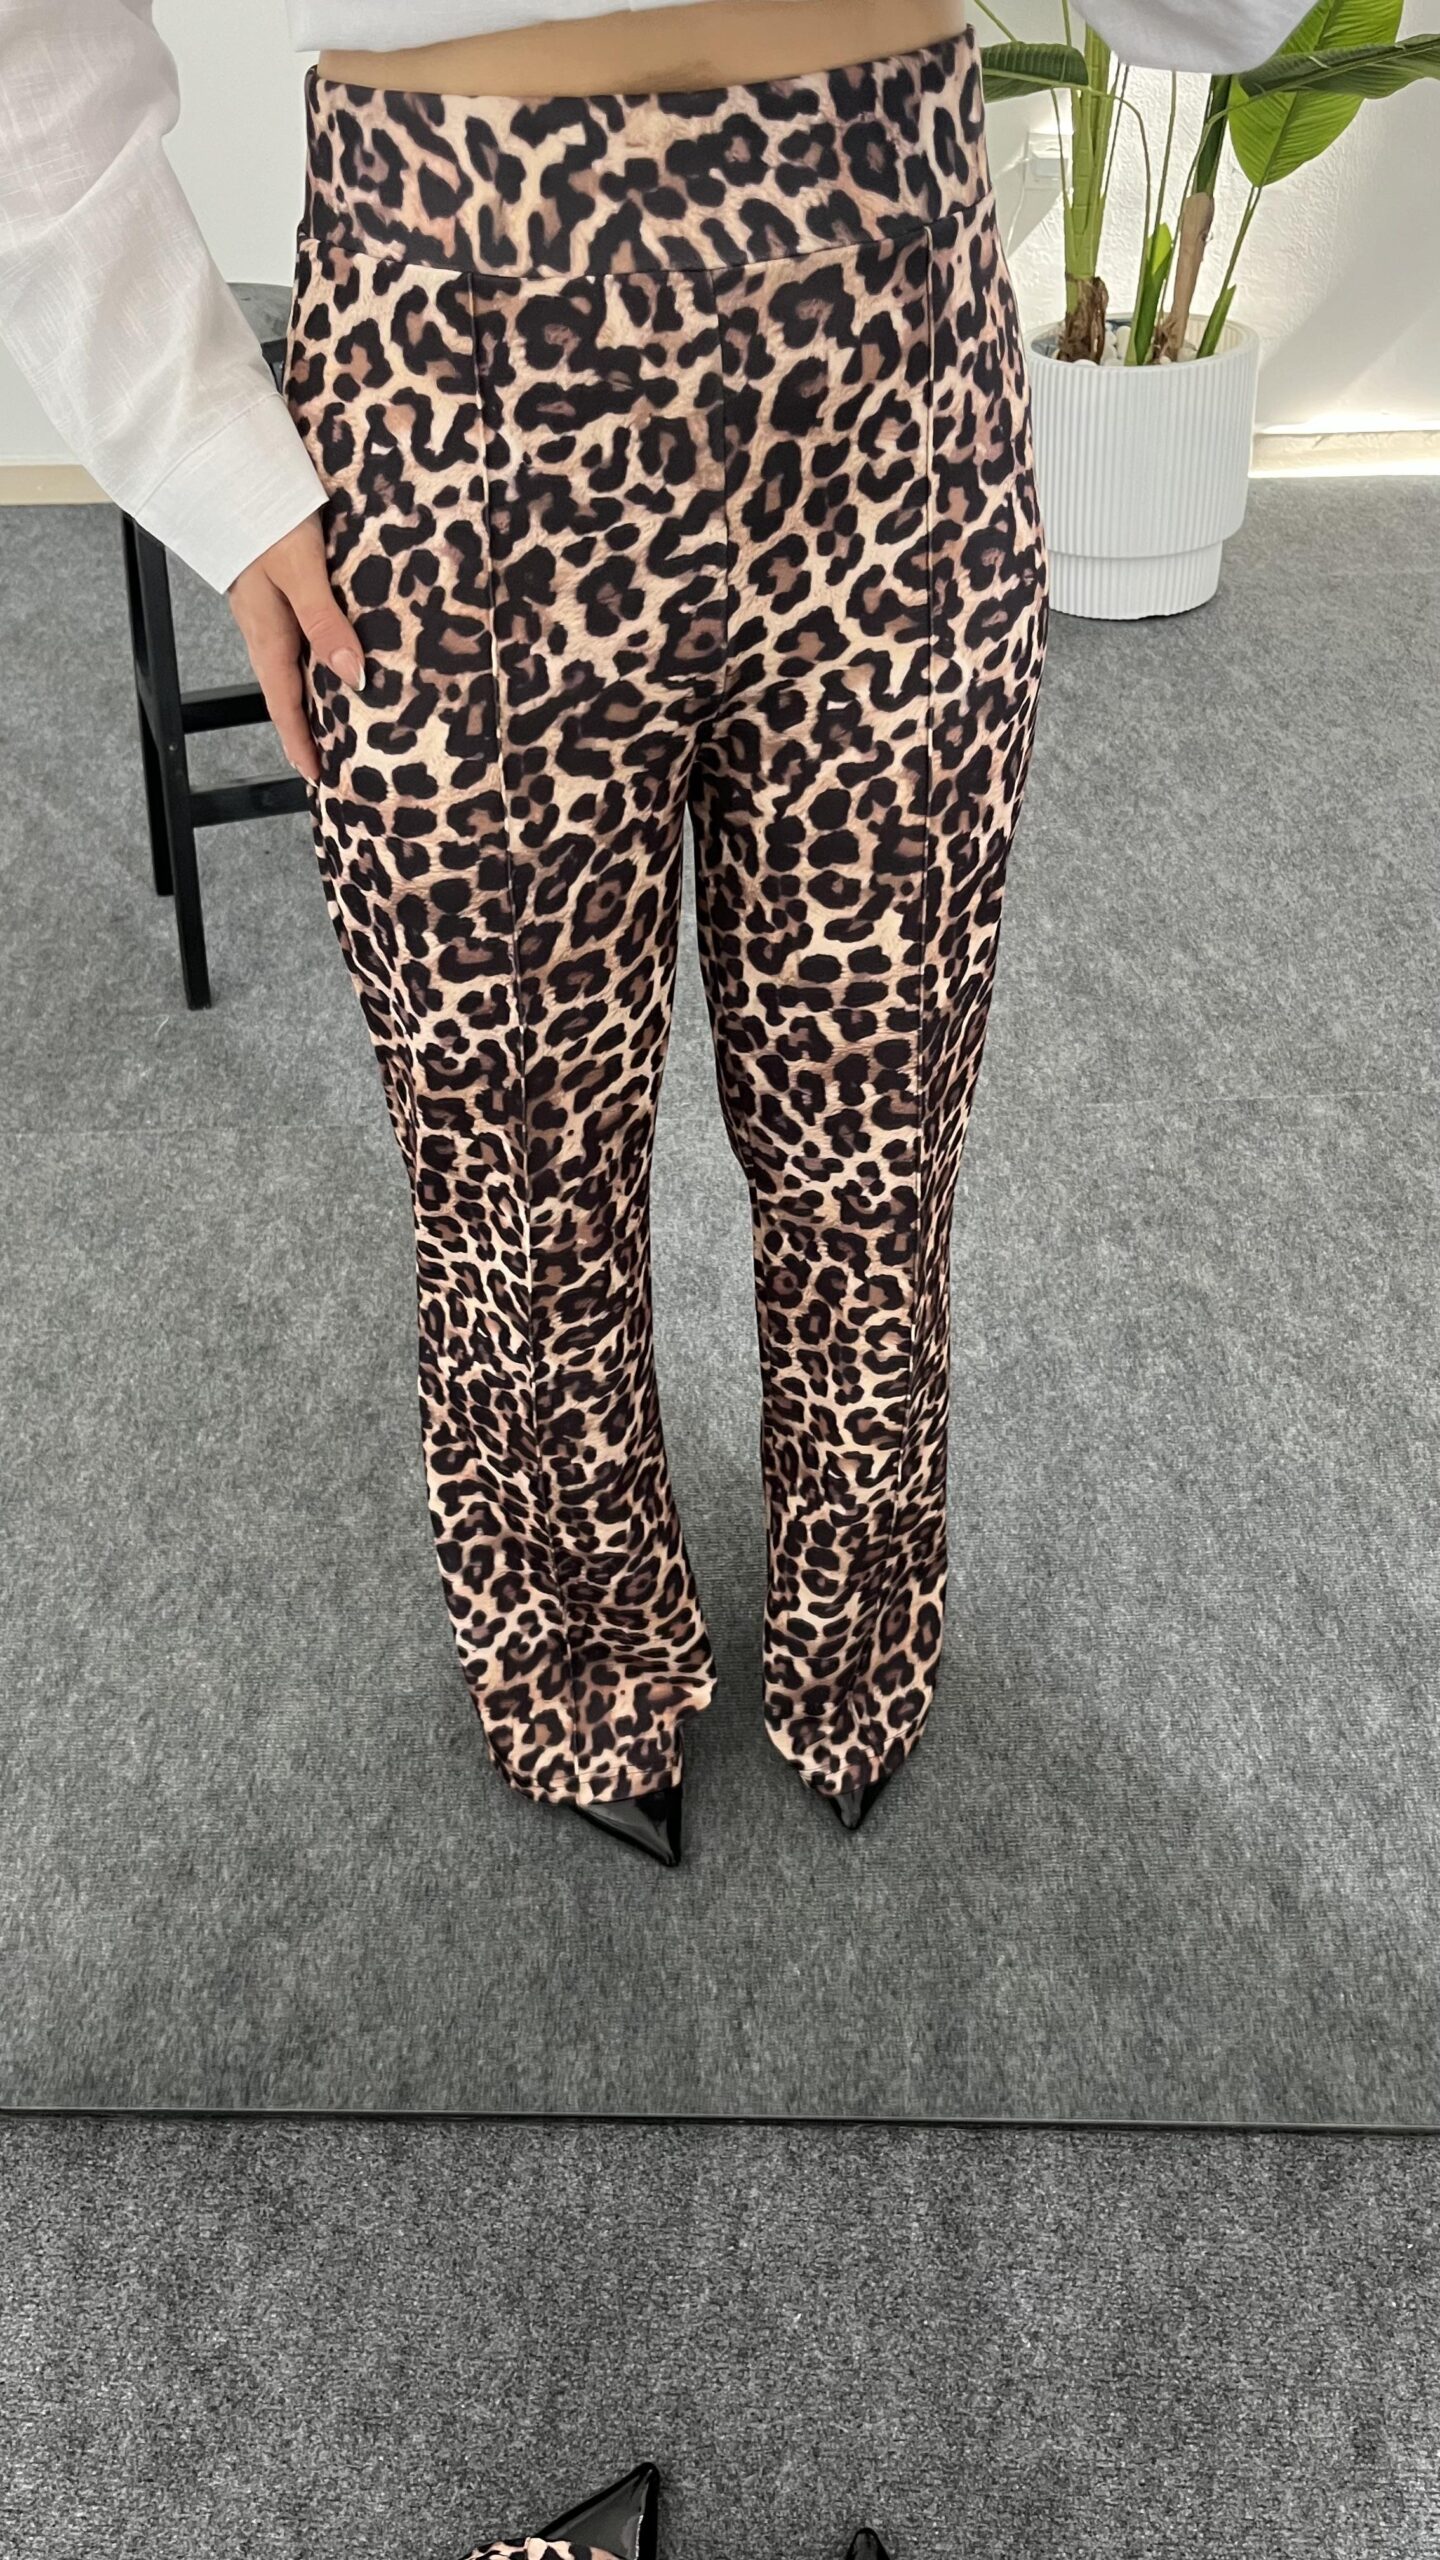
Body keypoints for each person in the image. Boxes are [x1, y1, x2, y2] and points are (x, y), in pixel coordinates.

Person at [0, 0, 1303, 1867]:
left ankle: (865, 1626)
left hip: (895, 342)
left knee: (878, 1128)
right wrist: (201, 439)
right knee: (513, 1157)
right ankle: (580, 1656)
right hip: (453, 366)